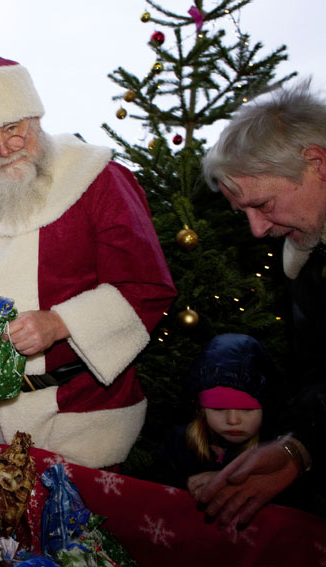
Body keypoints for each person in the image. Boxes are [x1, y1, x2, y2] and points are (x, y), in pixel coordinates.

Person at [0, 51, 176, 469]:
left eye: (12, 128)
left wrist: (60, 323)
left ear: (35, 117)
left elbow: (145, 285)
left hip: (88, 412)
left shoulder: (98, 179)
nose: (4, 148)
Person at [200, 80, 326, 526]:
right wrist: (301, 447)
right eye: (244, 213)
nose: (257, 230)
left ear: (316, 163)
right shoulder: (308, 256)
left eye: (265, 204)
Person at [157, 334, 273, 496]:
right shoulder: (177, 442)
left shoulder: (277, 449)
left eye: (247, 409)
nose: (233, 420)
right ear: (200, 410)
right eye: (218, 409)